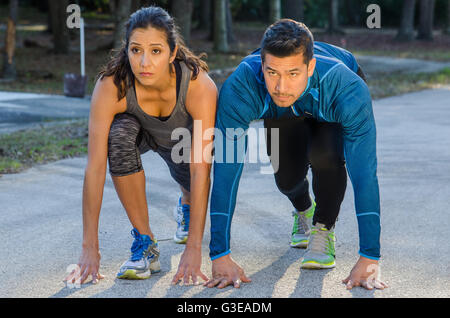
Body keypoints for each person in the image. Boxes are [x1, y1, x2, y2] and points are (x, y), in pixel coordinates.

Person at [204, 19, 388, 290]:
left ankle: (323, 227)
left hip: (328, 98)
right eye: (272, 72)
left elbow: (364, 174)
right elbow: (226, 170)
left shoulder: (346, 89)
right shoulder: (242, 87)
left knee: (324, 154)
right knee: (286, 178)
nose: (280, 86)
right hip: (283, 112)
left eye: (292, 73)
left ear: (310, 67)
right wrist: (219, 255)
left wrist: (370, 257)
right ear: (261, 65)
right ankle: (303, 209)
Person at [64, 6, 216, 284]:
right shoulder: (112, 85)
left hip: (184, 144)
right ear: (127, 51)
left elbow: (200, 168)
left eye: (156, 51)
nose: (144, 62)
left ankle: (186, 203)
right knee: (119, 135)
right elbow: (95, 168)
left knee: (193, 189)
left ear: (172, 53)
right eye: (136, 50)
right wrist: (89, 247)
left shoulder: (198, 85)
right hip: (140, 133)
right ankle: (146, 243)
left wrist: (194, 249)